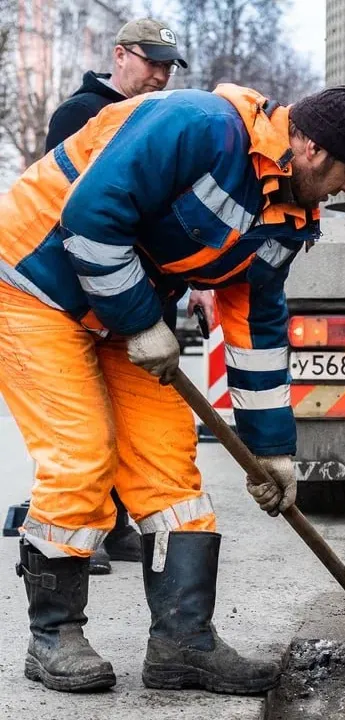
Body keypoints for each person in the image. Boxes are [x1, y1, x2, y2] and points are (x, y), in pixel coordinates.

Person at [0, 82, 345, 693]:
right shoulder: (198, 125)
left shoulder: (288, 216)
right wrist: (141, 323)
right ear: (310, 147)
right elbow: (90, 219)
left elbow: (256, 328)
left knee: (171, 473)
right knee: (82, 455)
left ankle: (183, 644)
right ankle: (53, 637)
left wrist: (272, 451)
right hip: (34, 284)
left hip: (122, 309)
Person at [42, 16, 218, 577]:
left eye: (169, 65)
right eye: (152, 62)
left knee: (140, 420)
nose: (162, 75)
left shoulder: (162, 119)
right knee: (90, 423)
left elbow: (171, 217)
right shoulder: (78, 115)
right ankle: (82, 536)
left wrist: (193, 283)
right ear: (120, 56)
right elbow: (76, 212)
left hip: (147, 297)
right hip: (89, 297)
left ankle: (119, 527)